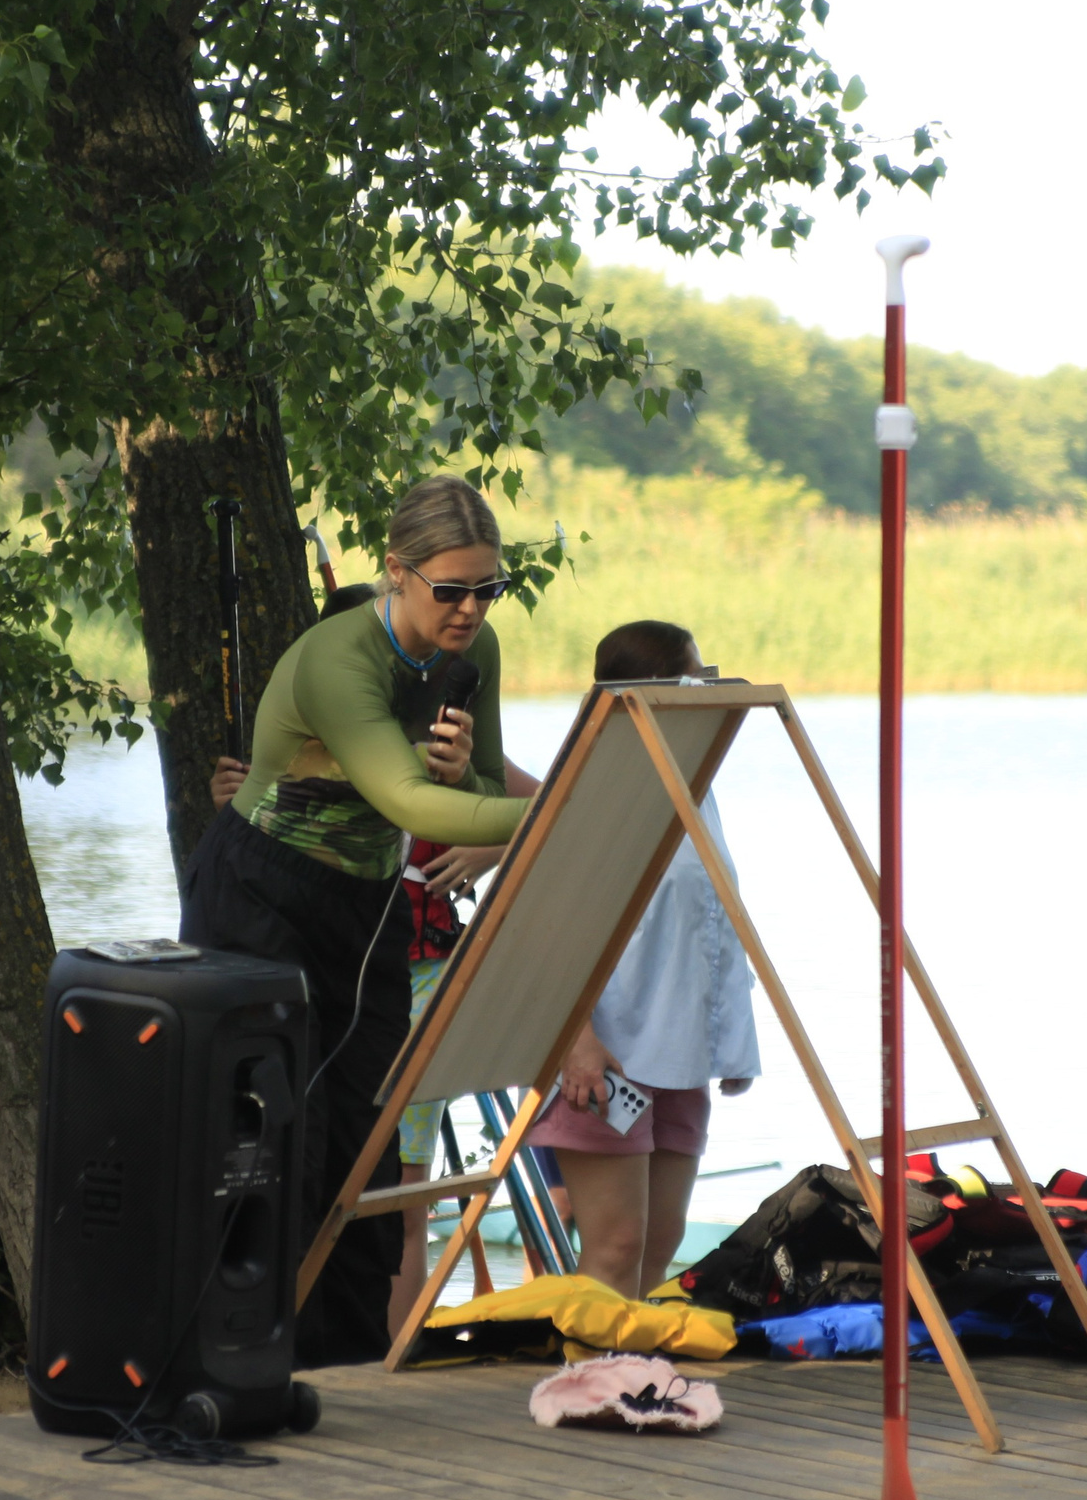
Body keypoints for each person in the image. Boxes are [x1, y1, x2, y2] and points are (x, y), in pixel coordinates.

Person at [181, 476, 528, 1366]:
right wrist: (565, 803)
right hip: (263, 891)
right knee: (272, 1134)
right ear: (395, 572)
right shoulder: (340, 658)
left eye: (488, 588)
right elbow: (409, 800)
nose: (469, 609)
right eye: (450, 588)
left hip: (363, 907)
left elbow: (475, 790)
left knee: (367, 1138)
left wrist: (472, 782)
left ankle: (345, 1364)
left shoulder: (472, 658)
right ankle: (246, 1354)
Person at [526, 621, 759, 1298]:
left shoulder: (695, 785)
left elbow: (711, 920)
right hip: (608, 1052)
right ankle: (590, 1386)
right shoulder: (600, 786)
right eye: (694, 681)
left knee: (658, 1243)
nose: (706, 696)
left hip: (681, 1053)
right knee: (616, 1245)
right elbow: (543, 924)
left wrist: (733, 1044)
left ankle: (632, 1382)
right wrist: (575, 1042)